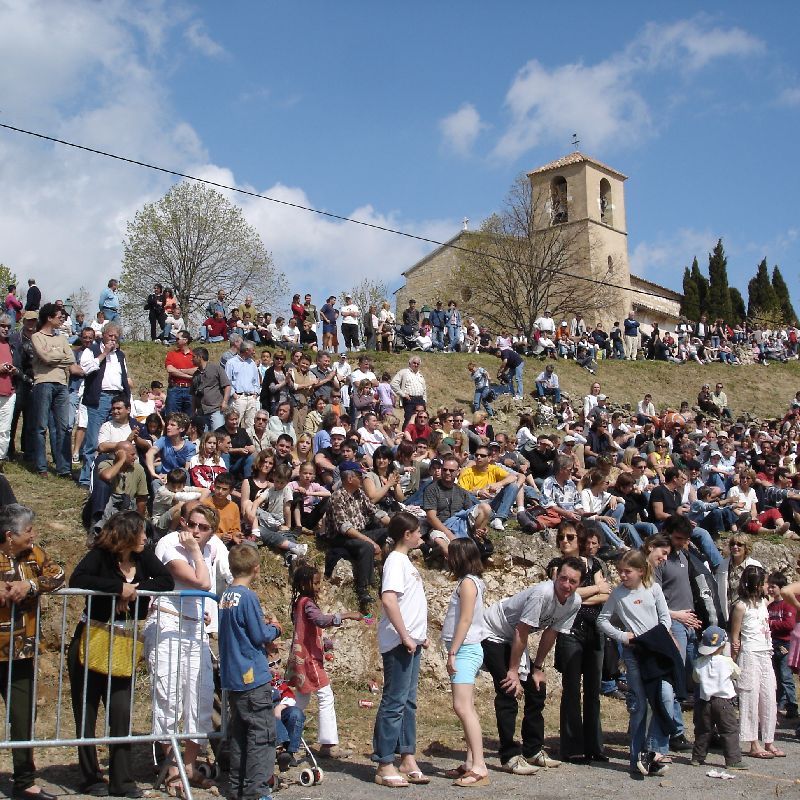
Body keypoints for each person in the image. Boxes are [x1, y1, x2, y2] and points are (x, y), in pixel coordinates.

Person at [68, 511, 173, 797]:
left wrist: (134, 589)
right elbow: (78, 578)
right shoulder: (100, 555)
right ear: (126, 533)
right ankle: (90, 778)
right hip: (92, 639)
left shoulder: (143, 556)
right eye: (140, 532)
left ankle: (122, 781)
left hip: (124, 642)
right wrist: (118, 588)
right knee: (87, 712)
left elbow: (166, 581)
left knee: (121, 712)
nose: (145, 537)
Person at [144, 504, 230, 793]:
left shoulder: (213, 548)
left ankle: (188, 766)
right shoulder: (170, 543)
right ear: (183, 522)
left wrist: (203, 613)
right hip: (167, 625)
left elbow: (208, 587)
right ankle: (171, 770)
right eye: (192, 524)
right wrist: (194, 550)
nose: (195, 531)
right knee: (169, 697)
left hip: (195, 628)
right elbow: (203, 582)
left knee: (200, 697)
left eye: (203, 528)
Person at [481, 562, 583, 775]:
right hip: (494, 631)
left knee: (537, 689)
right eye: (563, 578)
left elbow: (551, 633)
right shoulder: (542, 594)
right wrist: (513, 671)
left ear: (579, 583)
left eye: (572, 581)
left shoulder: (574, 602)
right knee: (508, 689)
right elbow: (522, 630)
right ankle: (509, 756)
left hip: (516, 638)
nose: (566, 584)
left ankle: (533, 750)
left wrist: (537, 668)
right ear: (556, 576)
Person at [0, 504, 65, 800]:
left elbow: (59, 574)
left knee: (23, 716)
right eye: (28, 531)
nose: (33, 535)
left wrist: (31, 584)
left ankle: (24, 781)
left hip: (21, 652)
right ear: (9, 535)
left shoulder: (33, 555)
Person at [597, 549, 680, 778]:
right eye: (620, 571)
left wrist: (656, 637)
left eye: (627, 571)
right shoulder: (618, 595)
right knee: (639, 705)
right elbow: (603, 620)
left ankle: (653, 752)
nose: (622, 576)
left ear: (640, 571)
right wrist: (624, 636)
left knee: (664, 696)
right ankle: (636, 758)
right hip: (634, 655)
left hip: (655, 651)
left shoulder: (653, 589)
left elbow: (664, 618)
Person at [218, 545, 282, 800]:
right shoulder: (248, 597)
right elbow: (258, 635)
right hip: (253, 676)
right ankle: (256, 790)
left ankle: (237, 788)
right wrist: (275, 629)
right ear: (256, 568)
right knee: (262, 736)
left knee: (240, 736)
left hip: (233, 677)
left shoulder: (225, 596)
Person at [372, 512, 429, 787]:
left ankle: (407, 757)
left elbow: (410, 603)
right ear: (406, 535)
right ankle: (384, 761)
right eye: (418, 531)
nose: (421, 536)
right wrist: (406, 635)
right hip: (398, 642)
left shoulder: (405, 562)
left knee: (408, 701)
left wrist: (419, 636)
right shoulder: (395, 561)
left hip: (411, 641)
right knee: (394, 701)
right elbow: (389, 599)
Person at [546, 523, 610, 763]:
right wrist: (592, 590)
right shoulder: (556, 566)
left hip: (594, 631)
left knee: (593, 690)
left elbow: (607, 594)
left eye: (570, 537)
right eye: (561, 537)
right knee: (571, 689)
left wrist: (576, 597)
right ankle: (572, 747)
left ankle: (595, 746)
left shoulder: (594, 564)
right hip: (569, 631)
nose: (565, 541)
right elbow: (561, 594)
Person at [285, 563, 361, 761]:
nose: (319, 586)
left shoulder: (299, 603)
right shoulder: (307, 603)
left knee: (301, 699)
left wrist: (324, 643)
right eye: (316, 583)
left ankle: (284, 735)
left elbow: (307, 630)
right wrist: (347, 615)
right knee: (325, 696)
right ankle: (328, 743)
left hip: (302, 658)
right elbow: (320, 620)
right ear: (304, 583)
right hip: (309, 661)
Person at [441, 538, 490, 787]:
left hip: (465, 650)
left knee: (462, 707)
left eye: (452, 555)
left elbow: (465, 619)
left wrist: (452, 652)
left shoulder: (468, 583)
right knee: (466, 706)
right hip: (465, 649)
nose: (448, 559)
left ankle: (479, 766)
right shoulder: (469, 582)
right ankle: (471, 761)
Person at [730, 565, 783, 758]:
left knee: (769, 695)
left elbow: (786, 589)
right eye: (764, 582)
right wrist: (733, 661)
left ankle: (769, 740)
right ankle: (753, 743)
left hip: (765, 653)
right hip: (749, 654)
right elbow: (735, 636)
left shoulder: (764, 601)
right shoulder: (740, 606)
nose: (767, 586)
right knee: (750, 697)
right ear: (757, 584)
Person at [323, 461, 390, 608]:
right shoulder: (337, 497)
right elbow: (344, 528)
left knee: (388, 533)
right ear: (349, 478)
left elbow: (375, 512)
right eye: (359, 476)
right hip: (341, 537)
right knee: (366, 546)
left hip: (359, 531)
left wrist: (393, 524)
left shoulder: (359, 494)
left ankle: (386, 574)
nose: (362, 479)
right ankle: (362, 589)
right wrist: (371, 541)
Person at [78, 325, 132, 487]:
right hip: (99, 397)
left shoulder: (120, 355)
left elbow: (125, 377)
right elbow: (85, 369)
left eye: (116, 336)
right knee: (93, 438)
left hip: (117, 397)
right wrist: (104, 353)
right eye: (110, 336)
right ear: (103, 336)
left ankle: (113, 472)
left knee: (115, 436)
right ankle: (86, 477)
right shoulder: (92, 350)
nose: (113, 339)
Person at [31, 303, 79, 478]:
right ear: (49, 317)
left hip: (61, 384)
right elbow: (44, 357)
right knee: (41, 427)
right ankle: (41, 466)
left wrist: (53, 356)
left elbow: (71, 359)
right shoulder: (37, 336)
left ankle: (64, 468)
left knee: (63, 427)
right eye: (59, 316)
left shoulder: (61, 339)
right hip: (43, 382)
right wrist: (58, 356)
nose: (62, 319)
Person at [689, 625, 746, 770]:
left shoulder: (699, 663)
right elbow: (737, 674)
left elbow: (696, 679)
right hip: (724, 702)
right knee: (729, 731)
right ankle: (733, 760)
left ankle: (697, 757)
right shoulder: (726, 661)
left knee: (703, 730)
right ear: (722, 645)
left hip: (704, 702)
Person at [766, 572, 797, 719]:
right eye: (769, 587)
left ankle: (792, 706)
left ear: (781, 588)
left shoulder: (788, 604)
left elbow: (789, 624)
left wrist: (771, 623)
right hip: (773, 643)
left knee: (786, 677)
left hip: (786, 643)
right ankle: (780, 703)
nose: (770, 590)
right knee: (776, 676)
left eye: (773, 587)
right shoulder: (770, 606)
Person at [225, 341, 261, 431]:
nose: (254, 352)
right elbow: (227, 380)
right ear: (246, 350)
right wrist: (234, 394)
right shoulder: (231, 363)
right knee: (235, 423)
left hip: (251, 397)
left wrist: (256, 393)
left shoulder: (252, 363)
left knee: (251, 425)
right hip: (239, 398)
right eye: (252, 350)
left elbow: (256, 380)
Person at [164, 332, 196, 416]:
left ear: (185, 340)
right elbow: (170, 369)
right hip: (175, 389)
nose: (176, 341)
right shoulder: (171, 354)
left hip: (190, 389)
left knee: (190, 418)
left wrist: (179, 370)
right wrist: (189, 376)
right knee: (172, 417)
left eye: (178, 339)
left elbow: (197, 370)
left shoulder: (194, 355)